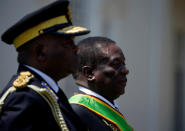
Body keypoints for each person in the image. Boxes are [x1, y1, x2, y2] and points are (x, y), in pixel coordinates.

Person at [0, 0, 90, 131]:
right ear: (41, 52)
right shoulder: (25, 98)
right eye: (68, 43)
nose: (76, 49)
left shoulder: (49, 92)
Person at [69, 37, 133, 131]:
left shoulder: (107, 108)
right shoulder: (76, 112)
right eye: (116, 64)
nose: (125, 70)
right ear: (89, 73)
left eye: (124, 64)